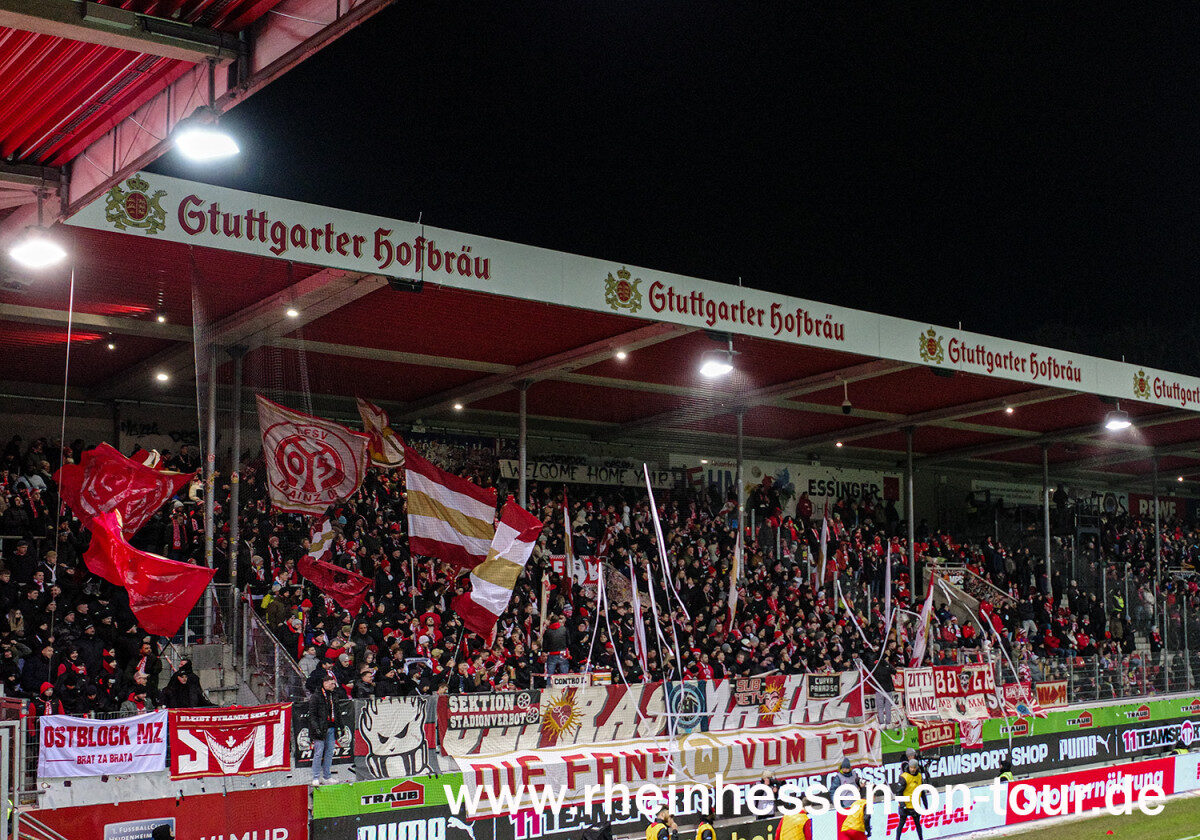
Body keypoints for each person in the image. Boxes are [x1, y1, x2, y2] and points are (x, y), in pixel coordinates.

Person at [307, 674, 339, 785]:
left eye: (334, 684)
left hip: (331, 728)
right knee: (318, 753)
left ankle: (326, 776)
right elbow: (312, 715)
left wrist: (340, 726)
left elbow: (337, 712)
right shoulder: (316, 696)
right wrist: (316, 728)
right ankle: (315, 777)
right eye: (331, 684)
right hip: (320, 729)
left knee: (329, 752)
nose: (333, 686)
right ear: (325, 684)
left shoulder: (333, 695)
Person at [894, 759, 924, 840]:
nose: (912, 769)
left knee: (918, 825)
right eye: (911, 767)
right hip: (905, 805)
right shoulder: (904, 777)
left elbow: (922, 791)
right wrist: (903, 804)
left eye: (914, 768)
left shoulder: (919, 776)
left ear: (917, 768)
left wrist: (926, 804)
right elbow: (898, 792)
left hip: (915, 805)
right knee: (901, 824)